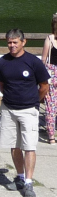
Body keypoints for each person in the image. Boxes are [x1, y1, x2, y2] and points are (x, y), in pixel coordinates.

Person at [0, 29, 50, 197]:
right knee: (14, 144)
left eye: (15, 42)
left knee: (29, 146)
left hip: (29, 110)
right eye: (9, 42)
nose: (12, 45)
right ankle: (19, 176)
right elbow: (1, 84)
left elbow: (44, 86)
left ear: (23, 42)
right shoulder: (2, 62)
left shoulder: (33, 62)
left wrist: (33, 102)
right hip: (9, 109)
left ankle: (29, 182)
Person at [40, 14, 57, 144]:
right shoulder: (50, 39)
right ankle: (51, 135)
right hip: (52, 75)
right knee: (51, 108)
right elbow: (44, 60)